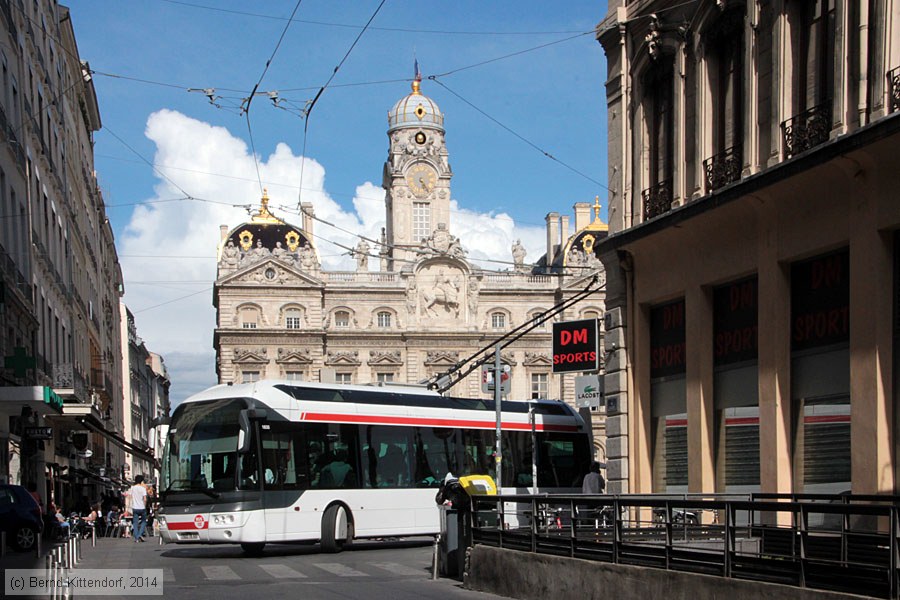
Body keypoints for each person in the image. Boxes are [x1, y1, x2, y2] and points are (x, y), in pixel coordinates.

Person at [129, 475, 148, 543]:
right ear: (141, 481)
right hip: (142, 507)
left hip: (135, 507)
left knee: (135, 523)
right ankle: (140, 534)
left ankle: (137, 537)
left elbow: (130, 497)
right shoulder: (143, 489)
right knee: (144, 522)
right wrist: (145, 506)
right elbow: (145, 499)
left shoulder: (133, 488)